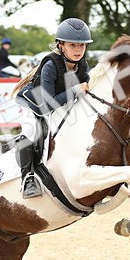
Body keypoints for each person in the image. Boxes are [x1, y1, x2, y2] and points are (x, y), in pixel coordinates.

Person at [12, 18, 92, 198]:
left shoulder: (82, 65)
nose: (78, 50)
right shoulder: (50, 66)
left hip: (55, 104)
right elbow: (49, 104)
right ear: (61, 45)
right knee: (31, 130)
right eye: (72, 45)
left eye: (82, 45)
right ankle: (28, 178)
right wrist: (75, 90)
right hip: (32, 104)